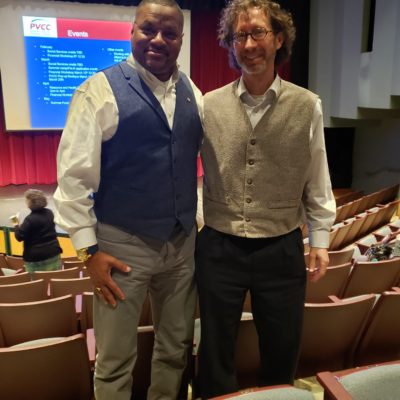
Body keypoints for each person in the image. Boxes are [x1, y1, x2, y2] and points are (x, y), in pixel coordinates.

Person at [53, 1, 203, 399]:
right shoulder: (98, 90)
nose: (158, 40)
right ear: (132, 32)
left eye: (169, 33)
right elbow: (72, 180)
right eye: (148, 30)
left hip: (181, 247)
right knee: (115, 359)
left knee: (175, 351)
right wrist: (88, 251)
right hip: (121, 248)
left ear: (181, 40)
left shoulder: (194, 93)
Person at [195, 0, 336, 398]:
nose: (249, 43)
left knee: (281, 345)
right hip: (219, 245)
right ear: (230, 43)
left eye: (257, 32)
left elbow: (317, 173)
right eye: (240, 35)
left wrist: (320, 239)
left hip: (281, 248)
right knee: (216, 349)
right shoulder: (208, 104)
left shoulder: (307, 105)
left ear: (278, 39)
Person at [14, 189, 62, 274]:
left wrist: (16, 225)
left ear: (30, 203)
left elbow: (19, 237)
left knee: (37, 284)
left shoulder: (30, 219)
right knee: (54, 278)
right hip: (53, 252)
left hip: (35, 258)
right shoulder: (49, 213)